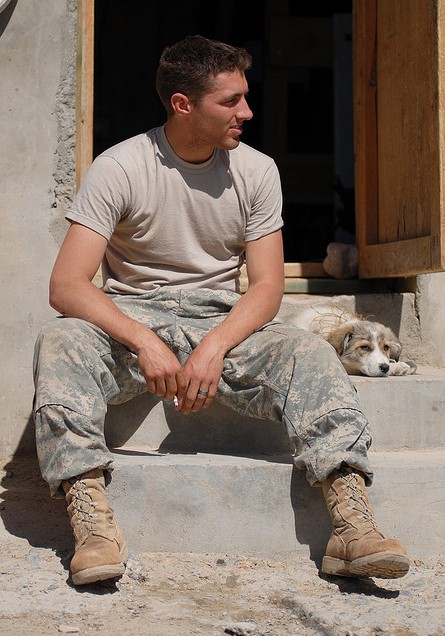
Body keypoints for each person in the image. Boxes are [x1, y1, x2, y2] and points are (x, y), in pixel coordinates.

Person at [33, 35, 409, 586]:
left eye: (245, 97)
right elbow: (67, 285)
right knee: (60, 340)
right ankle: (91, 522)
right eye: (230, 100)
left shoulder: (257, 171)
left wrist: (214, 345)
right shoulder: (120, 166)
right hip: (134, 317)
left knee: (307, 351)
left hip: (220, 317)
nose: (247, 111)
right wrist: (143, 339)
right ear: (183, 104)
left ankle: (352, 523)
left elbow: (267, 287)